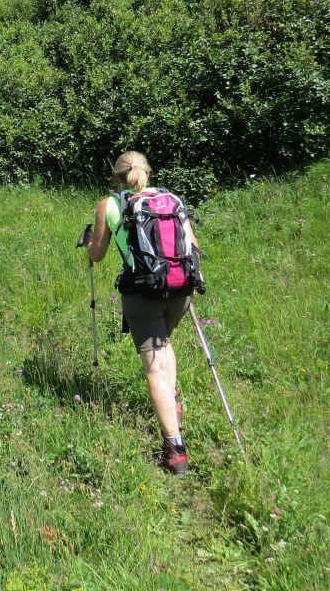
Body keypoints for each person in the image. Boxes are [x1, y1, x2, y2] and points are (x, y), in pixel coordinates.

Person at [84, 151, 197, 475]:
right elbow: (192, 245)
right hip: (181, 288)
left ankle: (175, 449)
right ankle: (172, 400)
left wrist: (89, 240)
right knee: (163, 344)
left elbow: (98, 253)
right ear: (148, 172)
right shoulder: (171, 199)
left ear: (118, 177)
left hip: (142, 291)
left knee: (154, 368)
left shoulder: (110, 205)